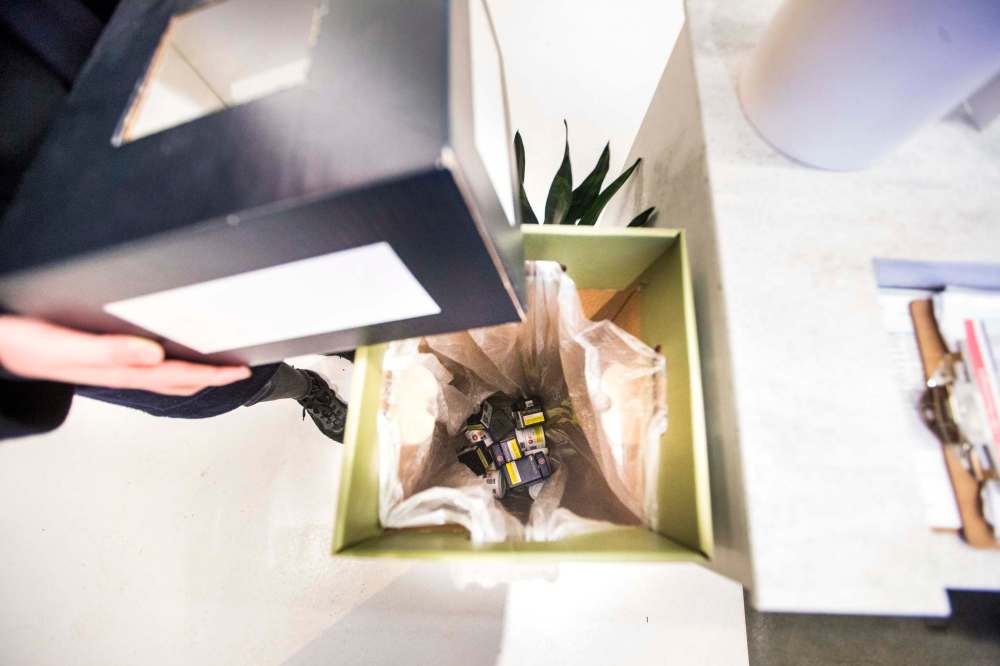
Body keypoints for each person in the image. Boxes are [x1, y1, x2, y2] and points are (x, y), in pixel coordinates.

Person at [0, 1, 348, 442]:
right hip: (53, 271)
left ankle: (335, 331)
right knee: (215, 369)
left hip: (143, 60)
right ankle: (305, 387)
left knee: (300, 241)